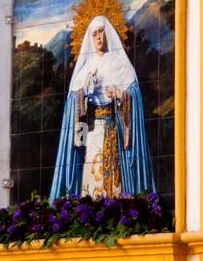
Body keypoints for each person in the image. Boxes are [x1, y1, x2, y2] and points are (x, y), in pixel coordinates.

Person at [49, 17, 154, 200]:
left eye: (101, 31)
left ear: (109, 33)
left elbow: (134, 94)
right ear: (90, 38)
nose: (98, 37)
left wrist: (120, 95)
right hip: (92, 131)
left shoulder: (120, 63)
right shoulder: (85, 67)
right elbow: (73, 102)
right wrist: (85, 91)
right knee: (91, 174)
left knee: (115, 176)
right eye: (94, 33)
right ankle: (90, 210)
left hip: (115, 129)